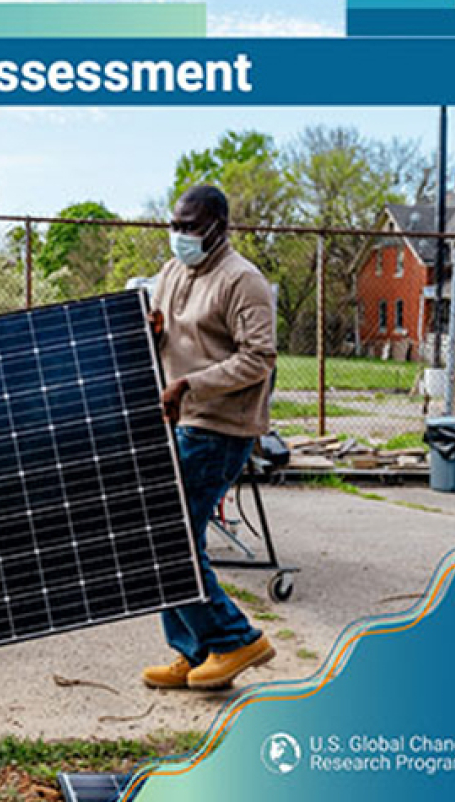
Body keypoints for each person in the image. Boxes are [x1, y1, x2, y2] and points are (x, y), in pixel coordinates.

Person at [141, 184, 279, 691]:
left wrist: (190, 384)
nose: (180, 235)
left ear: (220, 226)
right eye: (175, 225)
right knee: (171, 537)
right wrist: (151, 332)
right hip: (180, 421)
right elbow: (168, 333)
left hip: (219, 428)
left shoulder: (243, 281)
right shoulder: (173, 270)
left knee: (168, 539)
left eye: (191, 226)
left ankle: (236, 639)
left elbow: (259, 358)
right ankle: (194, 652)